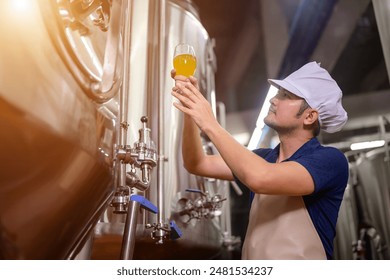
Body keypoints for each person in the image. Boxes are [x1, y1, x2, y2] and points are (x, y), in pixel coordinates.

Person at [171, 61, 349, 260]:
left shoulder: (330, 160)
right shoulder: (262, 159)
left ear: (309, 116)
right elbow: (197, 163)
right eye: (278, 92)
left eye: (285, 96)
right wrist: (190, 112)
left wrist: (211, 124)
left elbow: (261, 178)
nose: (273, 99)